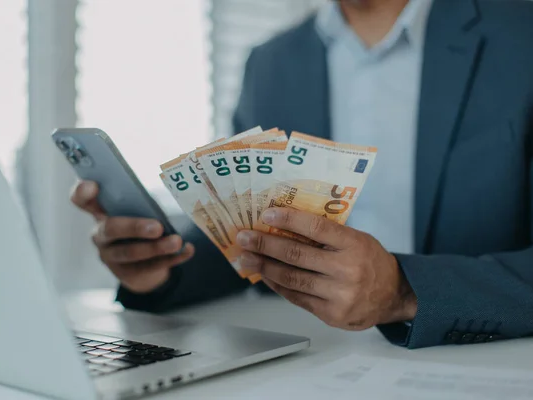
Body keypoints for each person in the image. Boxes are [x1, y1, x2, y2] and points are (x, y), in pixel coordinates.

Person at [71, 0, 533, 349]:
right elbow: (248, 241)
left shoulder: (521, 33)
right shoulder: (271, 63)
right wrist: (160, 269)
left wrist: (403, 291)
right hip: (309, 360)